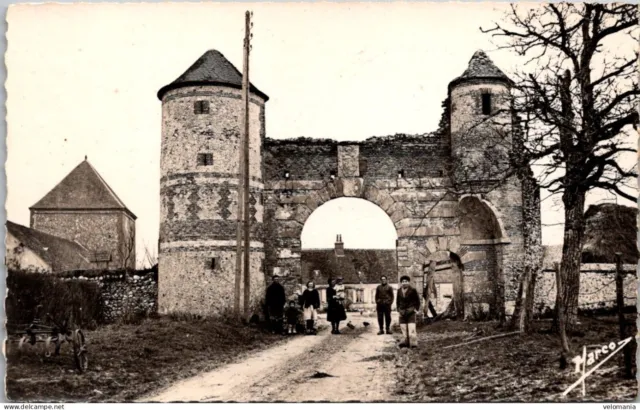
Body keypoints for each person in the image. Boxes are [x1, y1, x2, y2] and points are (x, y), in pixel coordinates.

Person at [396, 275, 421, 348]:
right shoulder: (399, 291)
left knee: (411, 331)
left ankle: (413, 345)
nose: (404, 283)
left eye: (406, 281)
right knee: (404, 331)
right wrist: (398, 310)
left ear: (409, 282)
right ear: (401, 283)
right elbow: (397, 302)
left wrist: (415, 309)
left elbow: (417, 301)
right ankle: (405, 344)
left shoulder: (413, 290)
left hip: (411, 312)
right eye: (403, 281)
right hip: (402, 313)